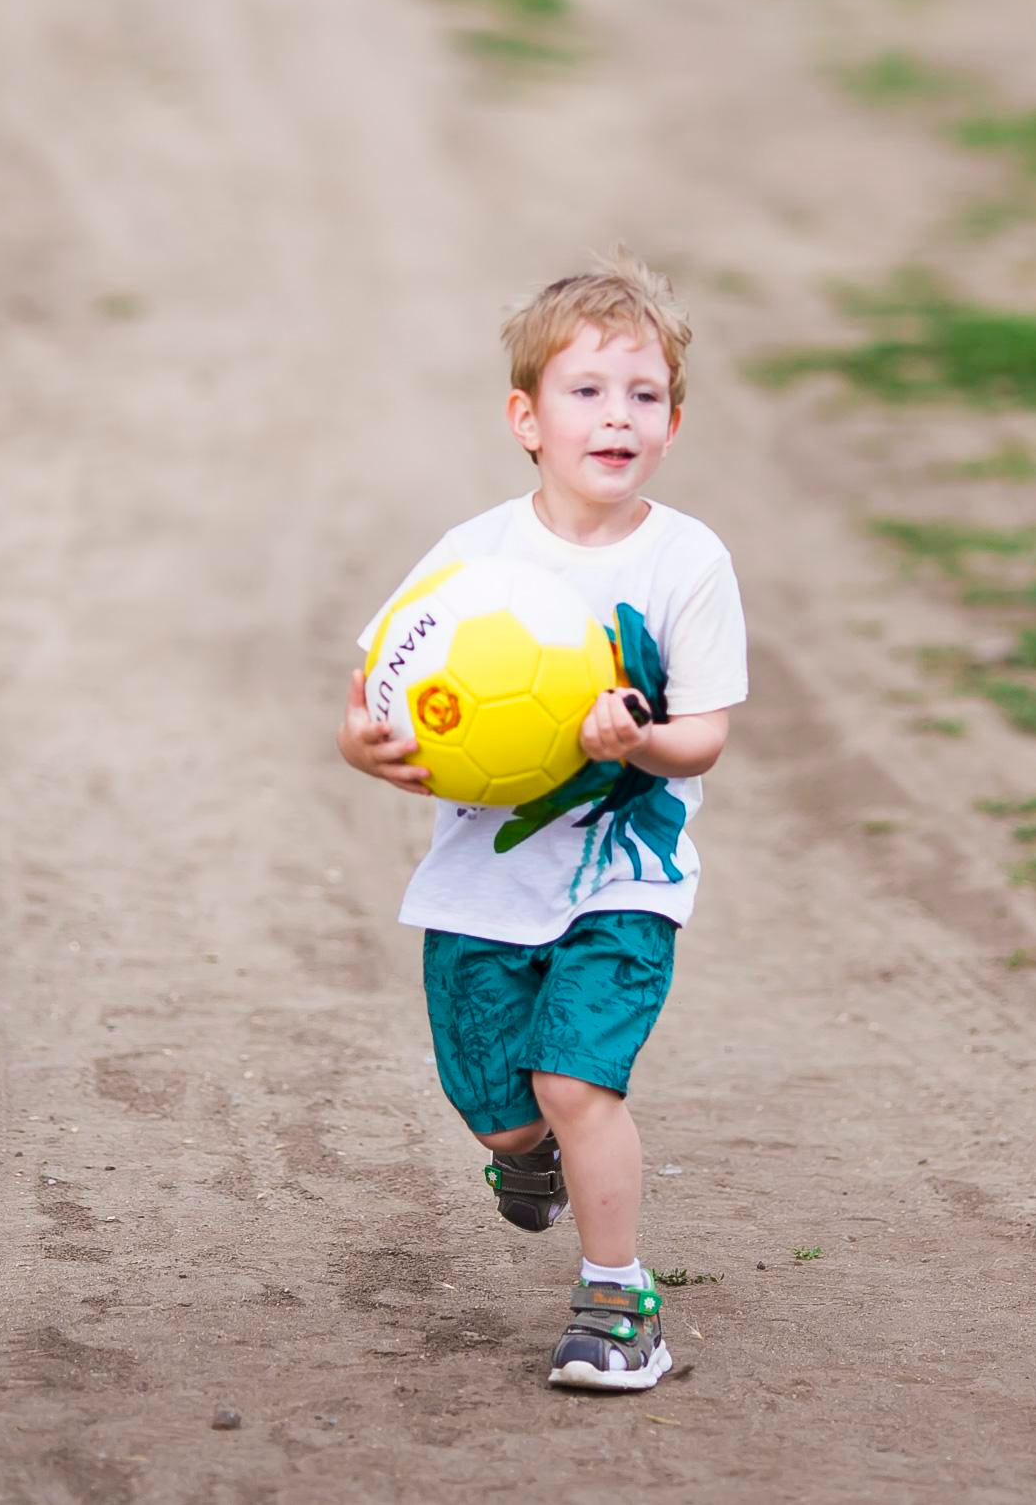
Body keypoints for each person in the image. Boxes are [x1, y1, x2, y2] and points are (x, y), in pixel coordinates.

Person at [337, 249, 748, 1392]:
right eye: (587, 390)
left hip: (623, 874)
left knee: (575, 1086)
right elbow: (376, 686)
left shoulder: (686, 560)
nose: (617, 415)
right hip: (483, 884)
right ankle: (528, 1160)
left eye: (644, 394)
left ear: (671, 423)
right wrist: (361, 745)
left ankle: (618, 1300)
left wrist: (638, 742)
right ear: (526, 418)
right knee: (504, 1115)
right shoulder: (472, 560)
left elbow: (703, 734)